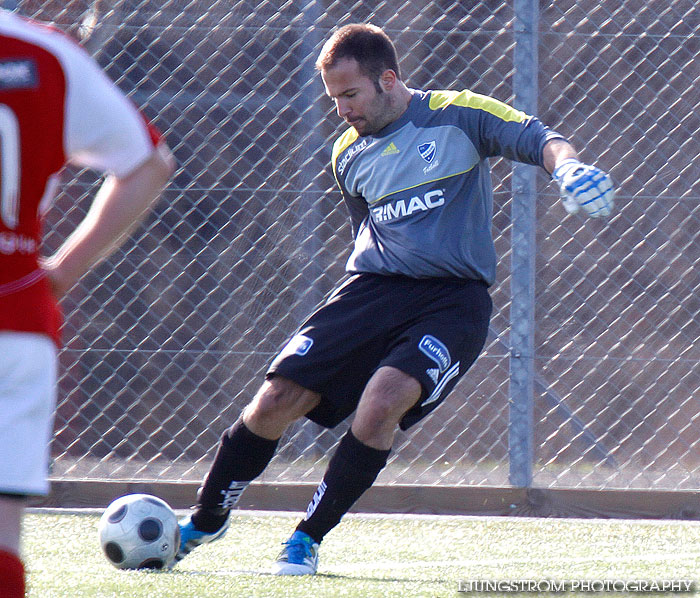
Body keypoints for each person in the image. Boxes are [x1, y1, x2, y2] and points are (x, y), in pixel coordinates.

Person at [174, 23, 614, 576]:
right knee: (276, 398)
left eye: (350, 95)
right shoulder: (346, 156)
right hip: (372, 290)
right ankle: (207, 517)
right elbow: (368, 237)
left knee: (383, 402)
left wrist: (568, 168)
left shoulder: (456, 114)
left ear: (388, 80)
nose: (342, 111)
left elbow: (538, 137)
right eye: (334, 99)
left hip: (453, 302)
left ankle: (305, 539)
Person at [0, 10, 174, 596]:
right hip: (17, 315)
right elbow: (150, 165)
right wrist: (62, 273)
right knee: (2, 531)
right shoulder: (47, 54)